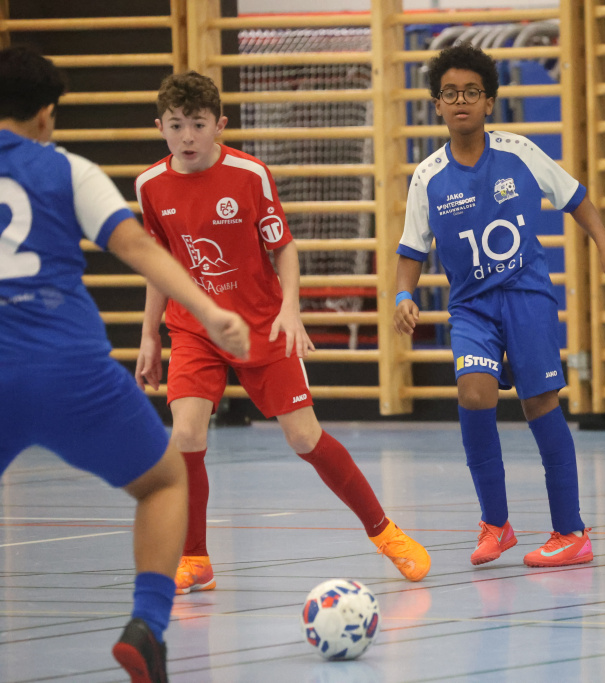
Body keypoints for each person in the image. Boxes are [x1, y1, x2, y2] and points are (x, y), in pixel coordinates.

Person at [0, 47, 251, 682]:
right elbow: (136, 244)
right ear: (47, 114)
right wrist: (208, 310)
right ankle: (147, 625)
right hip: (71, 369)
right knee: (165, 480)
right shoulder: (67, 169)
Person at [134, 71, 430, 591]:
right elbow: (160, 262)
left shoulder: (250, 175)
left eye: (198, 124)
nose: (187, 137)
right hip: (196, 327)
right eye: (176, 125)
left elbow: (283, 247)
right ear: (160, 127)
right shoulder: (150, 186)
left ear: (219, 125)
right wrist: (150, 335)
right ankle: (195, 557)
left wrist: (290, 309)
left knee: (304, 436)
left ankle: (386, 533)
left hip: (261, 323)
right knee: (186, 434)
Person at [393, 45, 605, 568]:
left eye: (472, 92)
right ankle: (496, 524)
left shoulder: (520, 152)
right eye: (450, 92)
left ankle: (571, 533)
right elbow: (412, 249)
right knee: (473, 393)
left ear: (489, 102)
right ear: (437, 104)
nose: (461, 100)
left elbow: (576, 198)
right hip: (471, 308)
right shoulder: (427, 177)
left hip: (526, 296)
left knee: (539, 404)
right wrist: (403, 295)